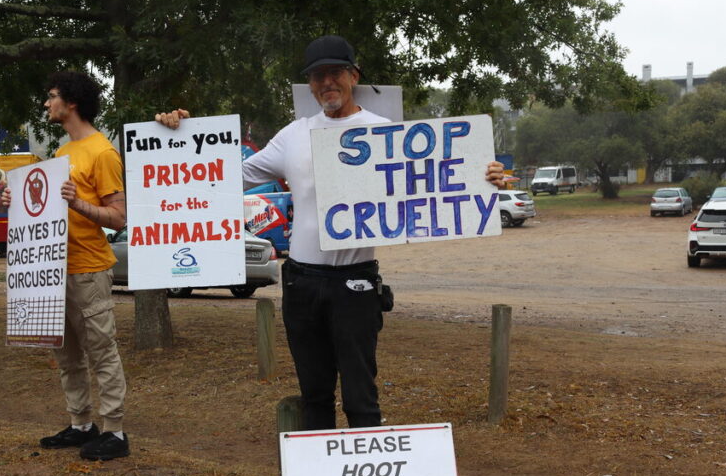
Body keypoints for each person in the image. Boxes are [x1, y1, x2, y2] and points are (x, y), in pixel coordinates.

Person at [158, 35, 505, 431]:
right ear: (310, 85)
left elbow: (439, 177)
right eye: (317, 76)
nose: (327, 83)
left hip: (356, 282)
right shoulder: (293, 135)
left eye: (335, 73)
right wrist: (180, 138)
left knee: (361, 396)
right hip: (302, 282)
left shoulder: (385, 133)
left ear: (353, 76)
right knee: (314, 395)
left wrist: (485, 175)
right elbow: (225, 175)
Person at [11, 71, 130, 460]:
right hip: (53, 271)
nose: (47, 104)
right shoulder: (62, 154)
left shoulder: (102, 152)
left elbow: (118, 217)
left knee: (101, 351)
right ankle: (81, 424)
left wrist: (78, 203)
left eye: (52, 96)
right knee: (65, 353)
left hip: (89, 269)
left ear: (72, 102)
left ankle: (114, 432)